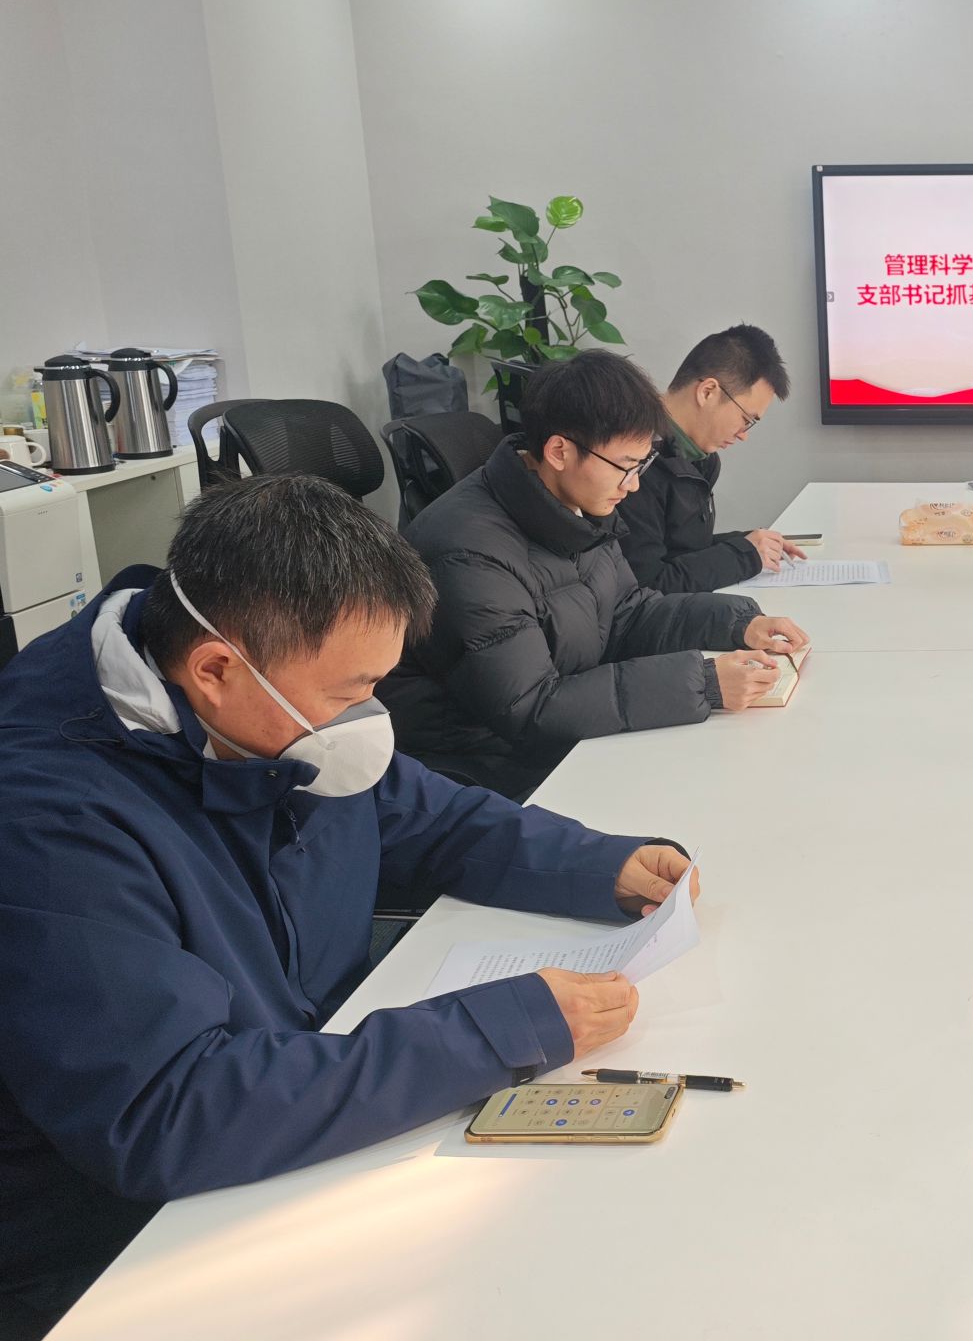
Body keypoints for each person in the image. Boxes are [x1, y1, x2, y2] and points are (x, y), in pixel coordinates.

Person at [0, 476, 696, 1334]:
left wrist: (600, 863)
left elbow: (421, 813)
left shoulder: (261, 707)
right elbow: (162, 1112)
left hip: (303, 1103)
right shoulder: (50, 820)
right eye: (347, 692)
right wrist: (498, 1031)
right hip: (121, 1249)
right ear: (215, 670)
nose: (363, 719)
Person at [380, 351, 807, 802]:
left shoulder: (573, 505)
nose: (634, 484)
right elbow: (532, 708)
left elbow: (628, 613)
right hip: (478, 776)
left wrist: (737, 623)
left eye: (642, 465)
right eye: (626, 466)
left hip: (556, 740)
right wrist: (704, 682)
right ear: (559, 451)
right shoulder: (468, 552)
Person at [617, 323, 802, 593]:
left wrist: (751, 544)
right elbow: (647, 586)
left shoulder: (700, 458)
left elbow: (682, 552)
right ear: (707, 392)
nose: (743, 435)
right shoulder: (632, 461)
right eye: (746, 419)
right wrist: (744, 555)